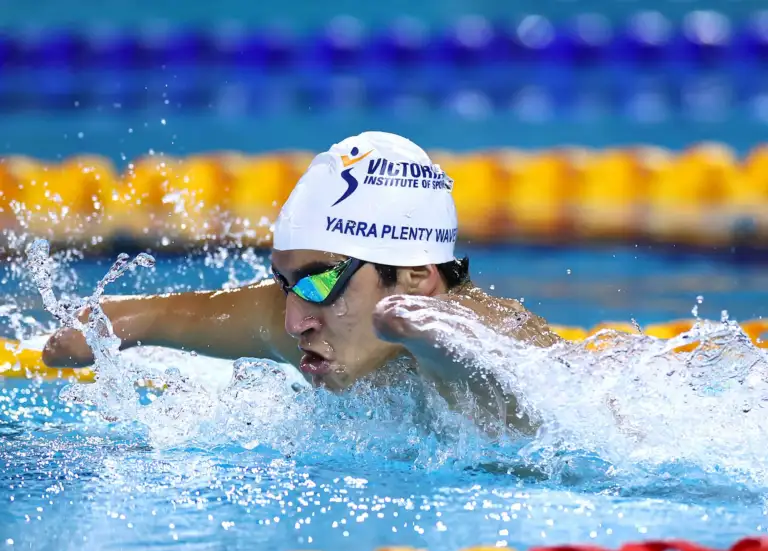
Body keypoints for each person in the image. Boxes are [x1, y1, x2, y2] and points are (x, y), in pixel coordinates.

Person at [42, 131, 562, 434]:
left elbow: (487, 382)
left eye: (317, 282)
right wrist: (98, 330)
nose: (294, 321)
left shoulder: (507, 347)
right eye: (284, 284)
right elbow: (148, 316)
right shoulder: (320, 323)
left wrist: (427, 336)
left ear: (414, 279)